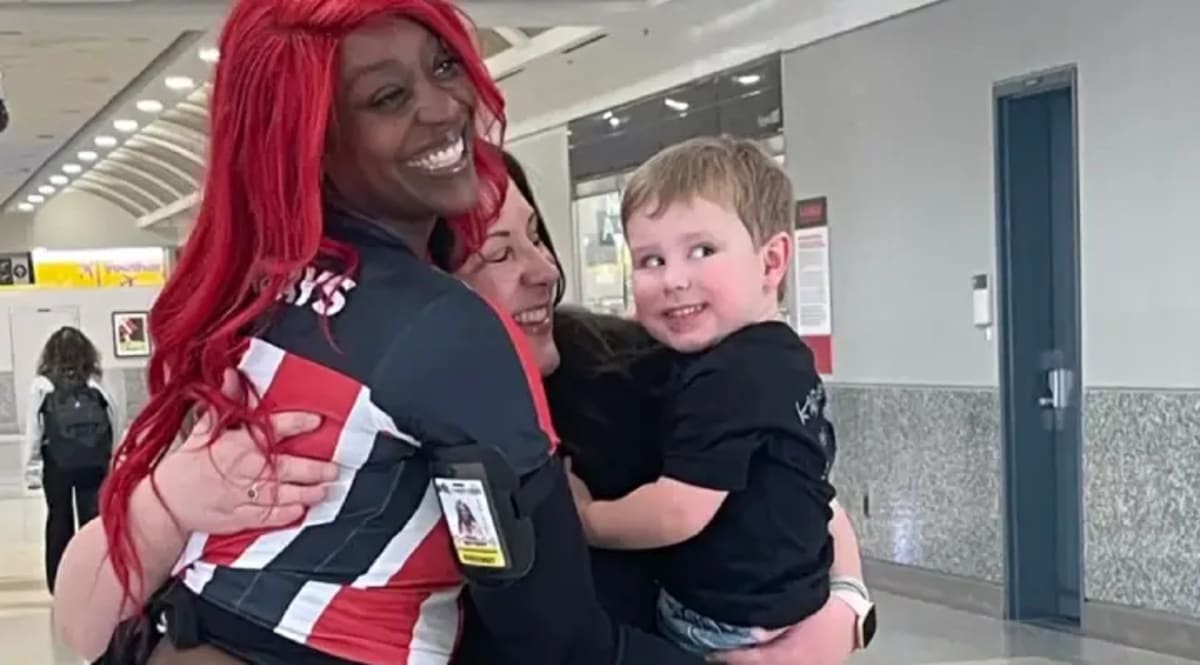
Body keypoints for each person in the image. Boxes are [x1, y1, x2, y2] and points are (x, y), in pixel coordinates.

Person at [53, 2, 698, 664]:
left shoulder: (262, 306)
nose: (445, 107)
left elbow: (84, 625)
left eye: (445, 64)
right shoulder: (446, 329)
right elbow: (559, 642)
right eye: (389, 96)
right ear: (316, 139)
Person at [59, 151, 867, 665]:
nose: (543, 271)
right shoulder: (314, 426)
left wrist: (844, 610)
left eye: (537, 238)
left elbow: (799, 487)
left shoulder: (638, 367)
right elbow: (80, 624)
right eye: (497, 253)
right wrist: (169, 501)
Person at [568, 136, 873, 655]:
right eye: (650, 261)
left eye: (701, 251)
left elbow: (677, 512)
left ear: (772, 260)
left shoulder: (729, 379)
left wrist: (589, 519)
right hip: (794, 595)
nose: (673, 280)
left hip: (720, 622)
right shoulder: (780, 353)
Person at [22, 326, 116, 593]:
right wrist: (112, 455)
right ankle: (94, 579)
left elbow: (33, 430)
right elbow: (114, 417)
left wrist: (32, 469)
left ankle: (60, 583)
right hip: (94, 461)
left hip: (57, 464)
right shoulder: (95, 380)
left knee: (59, 520)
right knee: (92, 521)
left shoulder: (42, 384)